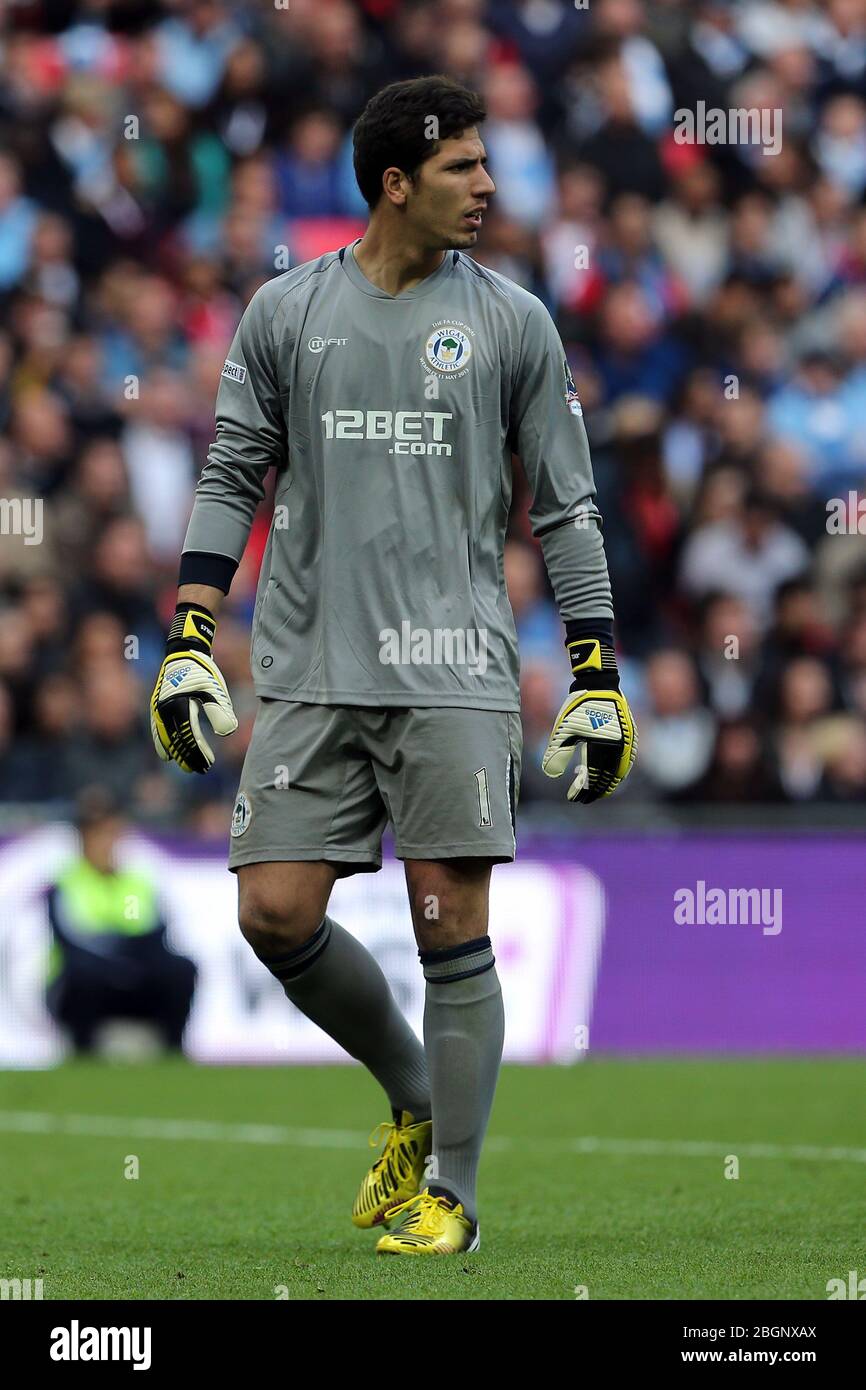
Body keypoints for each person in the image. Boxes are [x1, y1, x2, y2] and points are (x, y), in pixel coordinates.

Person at [150, 75, 636, 1256]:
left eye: (487, 162)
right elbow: (230, 477)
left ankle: (453, 1201)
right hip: (311, 666)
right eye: (463, 167)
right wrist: (187, 633)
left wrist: (593, 669)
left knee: (446, 921)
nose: (487, 186)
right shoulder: (286, 312)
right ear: (394, 184)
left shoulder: (514, 320)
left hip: (452, 670)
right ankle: (416, 1095)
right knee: (271, 913)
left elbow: (563, 510)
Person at [46, 788, 197, 1055]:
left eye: (112, 834)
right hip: (89, 978)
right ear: (82, 838)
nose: (107, 843)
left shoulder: (135, 883)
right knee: (82, 977)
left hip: (130, 973)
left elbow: (151, 933)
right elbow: (71, 942)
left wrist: (126, 961)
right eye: (99, 834)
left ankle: (174, 1052)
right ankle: (83, 1054)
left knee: (180, 970)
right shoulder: (66, 883)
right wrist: (119, 956)